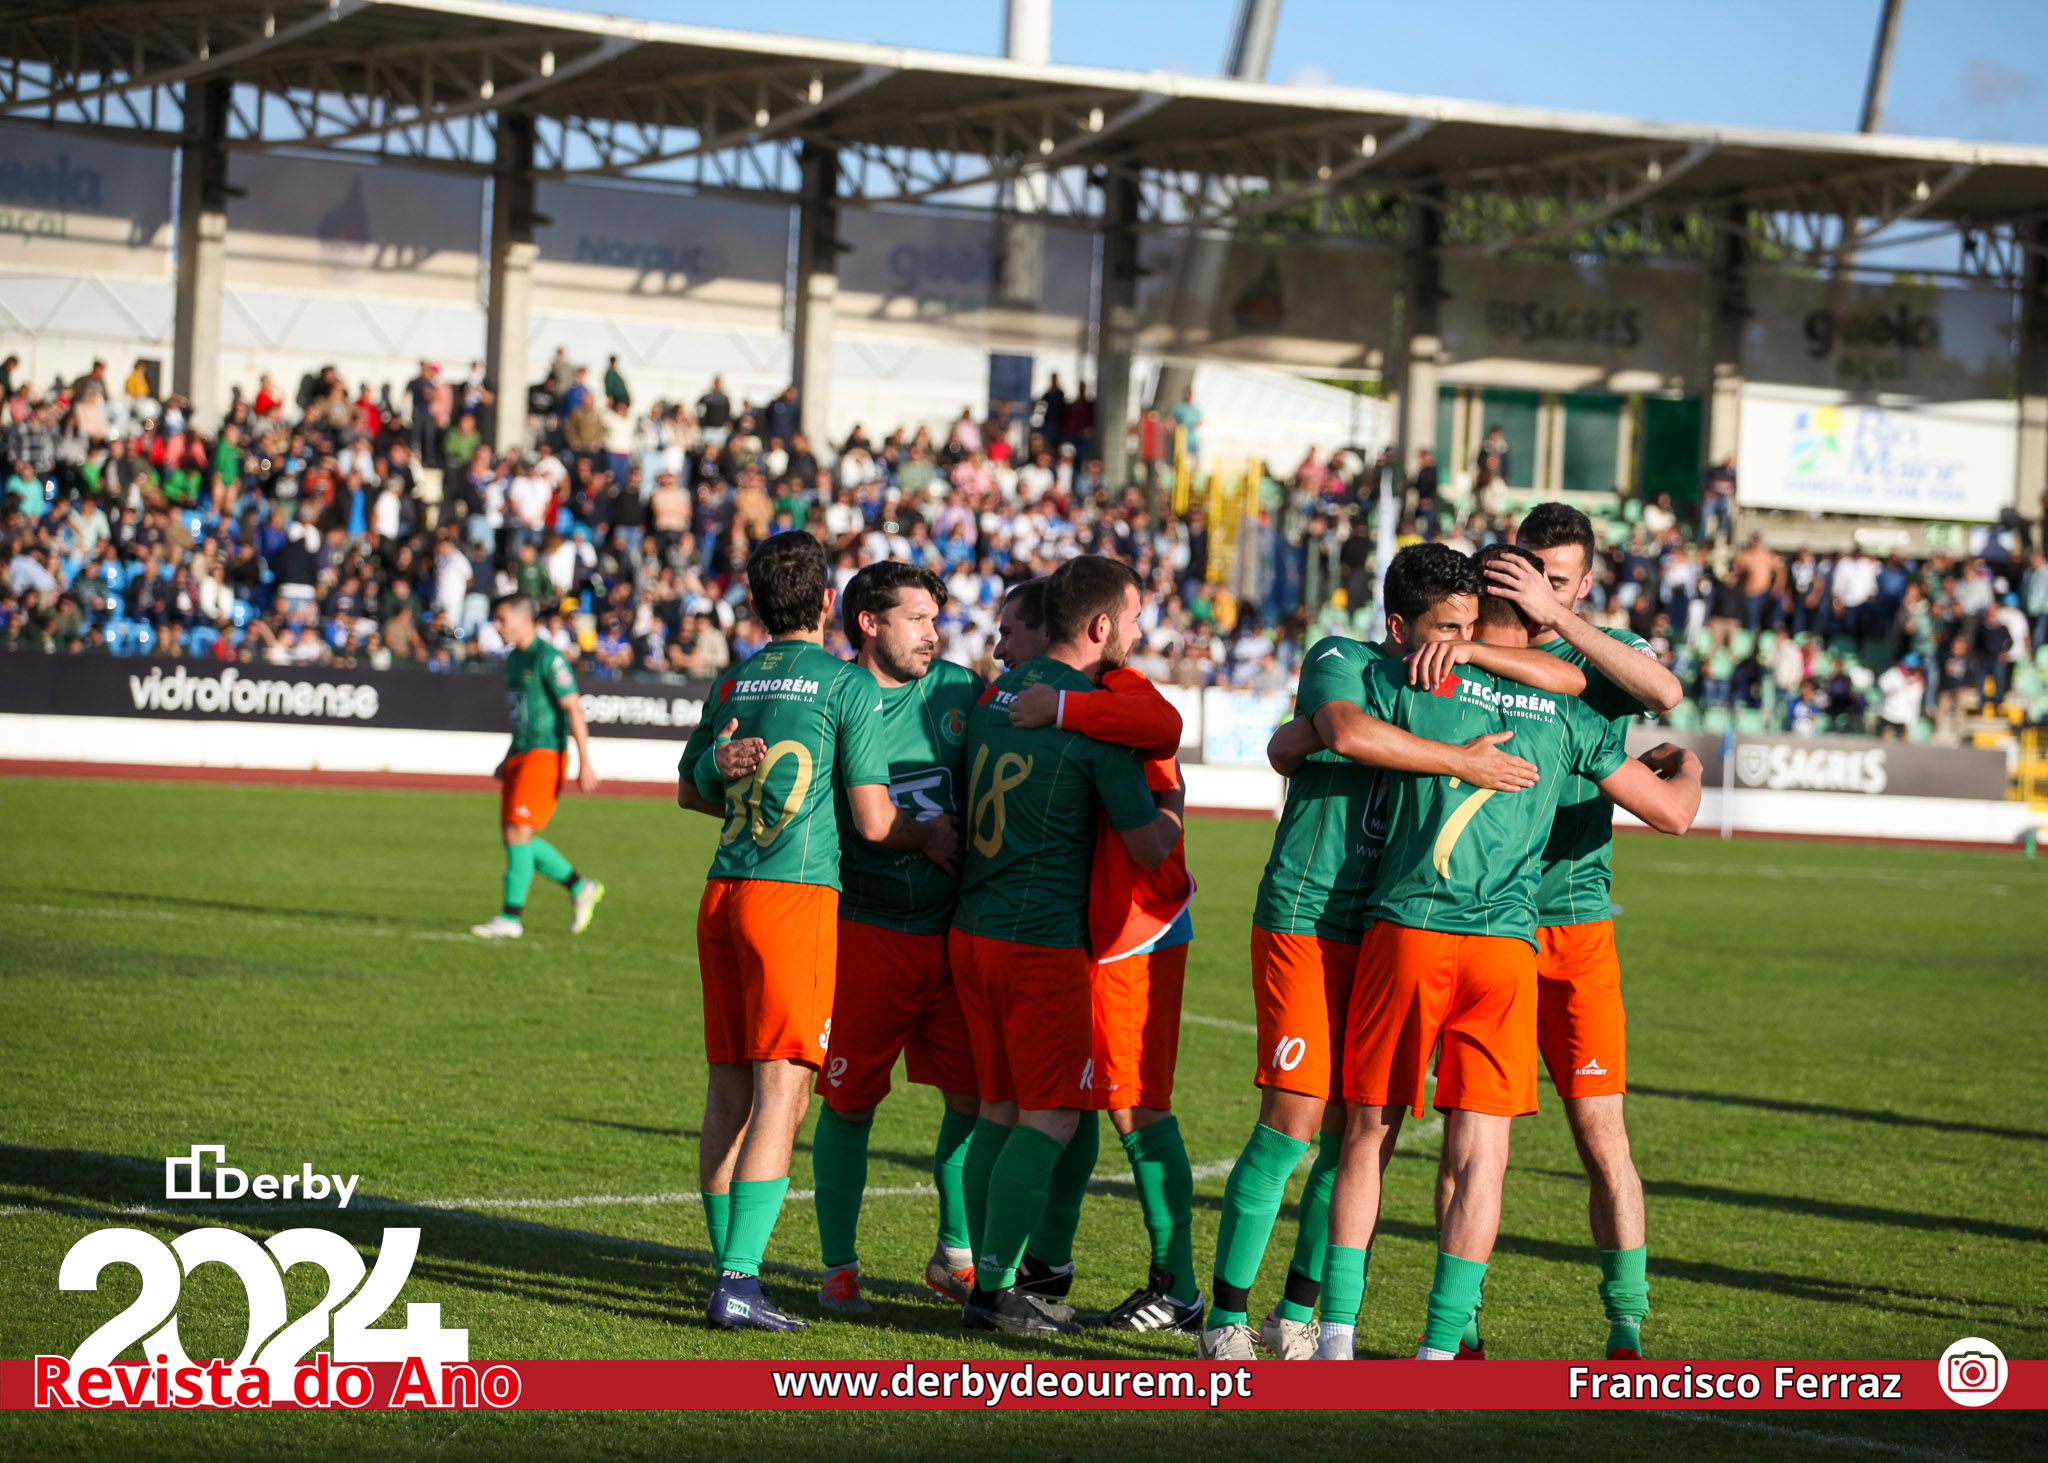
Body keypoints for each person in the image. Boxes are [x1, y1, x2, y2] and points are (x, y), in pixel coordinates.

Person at [1195, 543, 1585, 1363]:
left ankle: (1296, 1314)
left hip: (1383, 924)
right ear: (1400, 625)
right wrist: (1460, 759)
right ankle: (1225, 1314)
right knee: (1294, 1118)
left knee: (1353, 1128)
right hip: (1309, 914)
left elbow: (1570, 680)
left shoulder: (1460, 677)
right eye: (1447, 627)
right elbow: (1342, 730)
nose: (1460, 641)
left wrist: (1480, 653)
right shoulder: (1345, 657)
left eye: (1472, 627)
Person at [1314, 543, 1702, 1362]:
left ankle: (1336, 1341)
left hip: (1409, 929)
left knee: (1364, 1138)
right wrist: (1692, 763)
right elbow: (1670, 805)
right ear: (1533, 615)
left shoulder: (1416, 676)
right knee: (1483, 1152)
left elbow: (1330, 727)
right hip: (1506, 947)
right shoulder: (1570, 708)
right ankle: (1440, 1348)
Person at [674, 531, 939, 1333]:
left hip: (723, 892)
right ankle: (739, 1281)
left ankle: (731, 1272)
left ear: (754, 603)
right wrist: (930, 835)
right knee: (782, 1095)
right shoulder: (845, 685)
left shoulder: (735, 681)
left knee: (728, 1090)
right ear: (829, 603)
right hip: (792, 898)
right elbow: (872, 818)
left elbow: (691, 787)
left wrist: (727, 766)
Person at [947, 554, 1186, 1337]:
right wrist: (1175, 805)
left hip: (972, 929)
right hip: (1042, 940)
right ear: (1099, 626)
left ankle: (988, 1276)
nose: (1143, 630)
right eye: (1137, 616)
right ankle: (997, 1294)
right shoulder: (1089, 715)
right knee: (1050, 1117)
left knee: (997, 1112)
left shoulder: (990, 699)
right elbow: (1150, 847)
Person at [1479, 502, 1685, 1360]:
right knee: (1474, 1140)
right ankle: (1460, 1329)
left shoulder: (1588, 656)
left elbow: (1666, 693)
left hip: (1579, 927)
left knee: (1603, 1139)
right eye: (1527, 571)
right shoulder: (1480, 647)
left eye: (1555, 579)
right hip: (1490, 925)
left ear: (1584, 585)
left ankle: (1627, 1328)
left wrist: (1562, 618)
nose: (1534, 590)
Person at [1002, 592, 1199, 1334]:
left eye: (1008, 633)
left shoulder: (1119, 691)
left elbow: (1165, 728)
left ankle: (1178, 1286)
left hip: (1135, 928)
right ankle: (1047, 1265)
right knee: (1074, 1098)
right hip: (1083, 930)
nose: (1000, 650)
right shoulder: (1026, 696)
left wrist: (1061, 710)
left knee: (1135, 1104)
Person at [803, 562, 982, 1317]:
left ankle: (957, 1253)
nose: (933, 632)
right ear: (869, 622)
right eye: (918, 617)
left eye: (936, 617)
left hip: (951, 933)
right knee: (848, 1103)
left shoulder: (957, 690)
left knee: (972, 1097)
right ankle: (840, 1268)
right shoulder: (834, 695)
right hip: (866, 932)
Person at [469, 594, 604, 940]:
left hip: (545, 754)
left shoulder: (548, 658)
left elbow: (573, 709)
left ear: (522, 618)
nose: (496, 627)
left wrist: (585, 761)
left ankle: (510, 918)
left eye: (501, 619)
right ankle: (579, 886)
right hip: (522, 753)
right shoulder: (514, 660)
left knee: (518, 832)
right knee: (516, 836)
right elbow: (522, 717)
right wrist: (508, 755)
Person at [1701, 455, 1736, 543]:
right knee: (1707, 518)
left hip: (1723, 498)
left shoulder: (1732, 473)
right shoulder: (1715, 470)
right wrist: (1707, 491)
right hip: (1713, 497)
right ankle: (1702, 538)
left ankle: (1720, 536)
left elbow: (1734, 486)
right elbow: (1704, 479)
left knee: (1726, 518)